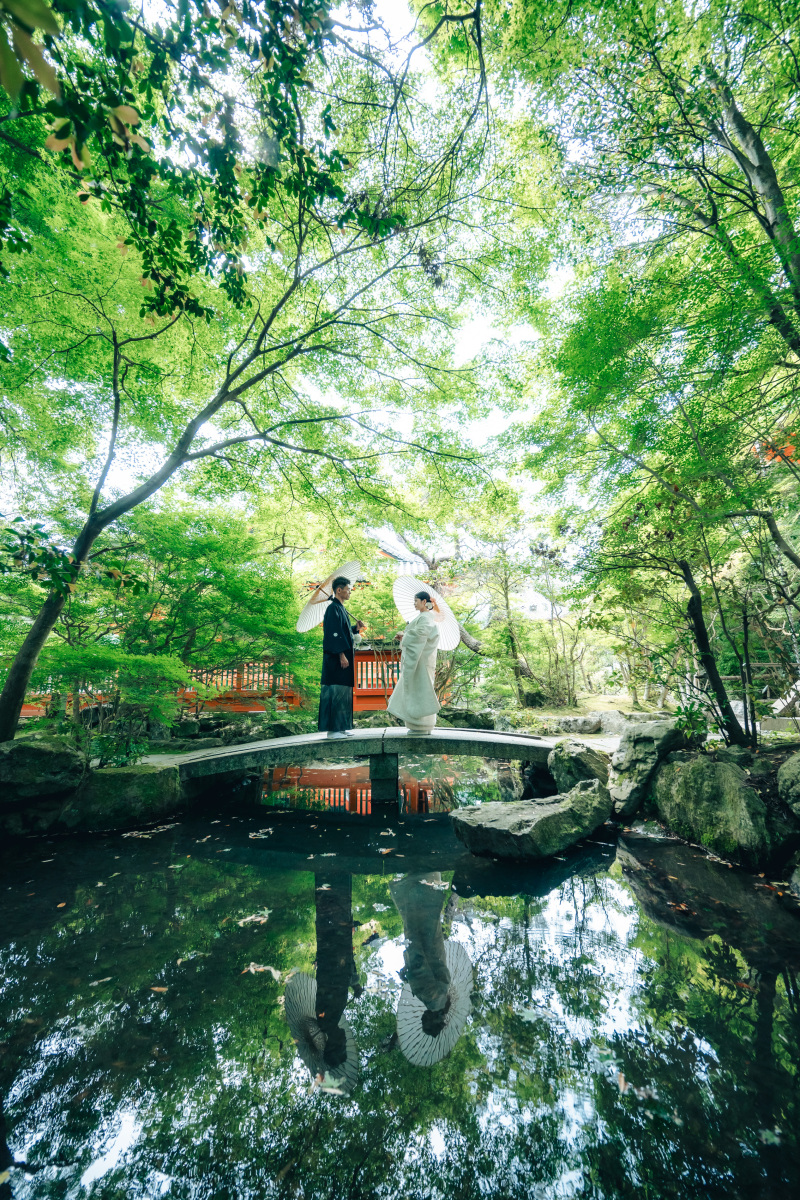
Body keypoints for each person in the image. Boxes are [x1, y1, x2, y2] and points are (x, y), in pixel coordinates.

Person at [316, 576, 365, 737]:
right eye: (348, 589)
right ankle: (332, 730)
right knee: (335, 691)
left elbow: (344, 632)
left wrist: (355, 629)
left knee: (343, 691)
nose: (350, 591)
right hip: (336, 659)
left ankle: (341, 727)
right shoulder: (332, 609)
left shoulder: (341, 608)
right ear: (339, 590)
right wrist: (341, 655)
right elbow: (332, 634)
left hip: (342, 658)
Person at [387, 590, 440, 734]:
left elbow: (420, 635)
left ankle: (420, 724)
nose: (414, 603)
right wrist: (404, 637)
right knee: (418, 689)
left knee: (420, 689)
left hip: (420, 662)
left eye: (416, 600)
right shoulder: (424, 617)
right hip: (421, 660)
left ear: (424, 602)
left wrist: (405, 636)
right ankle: (419, 724)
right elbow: (418, 635)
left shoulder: (426, 618)